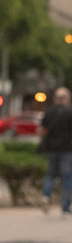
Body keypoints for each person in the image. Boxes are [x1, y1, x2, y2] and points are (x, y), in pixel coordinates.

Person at [40, 87, 72, 215]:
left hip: (51, 149)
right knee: (67, 177)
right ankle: (65, 207)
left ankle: (45, 197)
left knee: (50, 175)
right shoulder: (69, 113)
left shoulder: (49, 112)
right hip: (67, 149)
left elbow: (41, 130)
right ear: (66, 99)